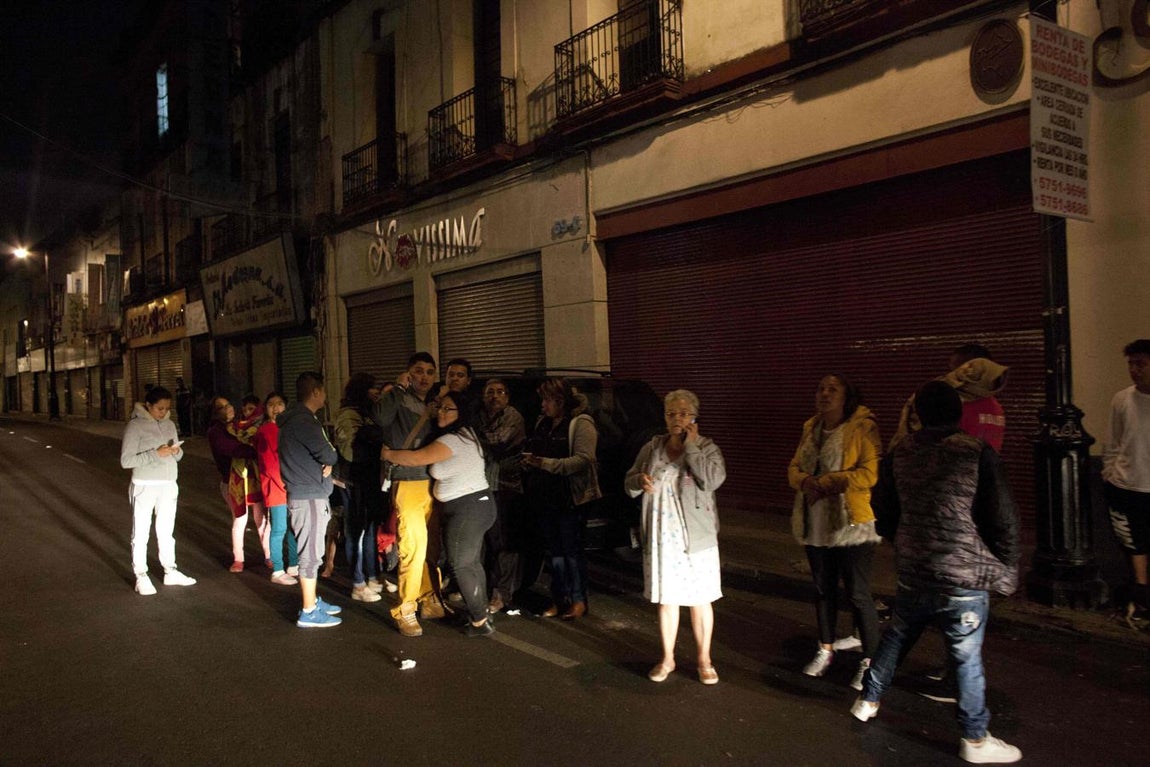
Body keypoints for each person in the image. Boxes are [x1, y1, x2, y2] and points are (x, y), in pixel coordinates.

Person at [851, 381, 1021, 765]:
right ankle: (975, 739)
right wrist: (1006, 562)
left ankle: (868, 699)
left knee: (898, 634)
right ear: (958, 413)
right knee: (966, 656)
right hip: (962, 576)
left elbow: (883, 508)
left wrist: (903, 541)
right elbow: (1003, 516)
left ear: (920, 415)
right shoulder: (977, 453)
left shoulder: (900, 453)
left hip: (915, 566)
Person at [787, 374, 882, 690]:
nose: (824, 394)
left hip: (852, 523)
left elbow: (869, 474)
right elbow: (794, 467)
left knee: (857, 593)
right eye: (820, 388)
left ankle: (870, 661)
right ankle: (824, 649)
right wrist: (804, 481)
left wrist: (826, 482)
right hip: (816, 521)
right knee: (823, 588)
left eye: (832, 389)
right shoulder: (810, 427)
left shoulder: (862, 426)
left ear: (847, 396)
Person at [625, 389, 726, 684]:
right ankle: (667, 658)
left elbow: (713, 479)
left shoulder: (707, 447)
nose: (677, 419)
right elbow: (628, 481)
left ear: (694, 416)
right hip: (661, 536)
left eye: (683, 413)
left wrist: (691, 447)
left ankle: (704, 660)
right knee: (667, 599)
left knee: (700, 599)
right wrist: (637, 481)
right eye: (671, 413)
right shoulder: (652, 447)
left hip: (695, 538)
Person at [384, 390, 497, 636]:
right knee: (472, 564)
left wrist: (388, 454)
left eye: (448, 409)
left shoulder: (453, 440)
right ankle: (481, 615)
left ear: (461, 413)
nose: (442, 412)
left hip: (468, 509)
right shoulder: (466, 434)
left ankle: (479, 621)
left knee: (461, 565)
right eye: (441, 407)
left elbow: (415, 458)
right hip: (478, 505)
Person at [374, 352, 444, 637]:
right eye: (418, 371)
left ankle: (427, 598)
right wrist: (398, 387)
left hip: (433, 481)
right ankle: (405, 609)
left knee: (428, 547)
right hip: (408, 482)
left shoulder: (436, 403)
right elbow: (380, 417)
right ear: (408, 373)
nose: (424, 377)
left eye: (429, 372)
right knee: (412, 547)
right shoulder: (397, 397)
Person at [522, 378, 601, 620]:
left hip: (570, 498)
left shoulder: (580, 423)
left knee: (571, 551)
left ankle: (578, 600)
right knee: (554, 552)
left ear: (560, 401)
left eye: (546, 400)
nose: (542, 405)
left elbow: (583, 460)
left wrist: (545, 464)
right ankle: (558, 599)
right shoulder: (543, 422)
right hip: (545, 496)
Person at [279, 371, 342, 628]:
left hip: (306, 494)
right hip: (309, 497)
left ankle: (313, 600)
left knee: (311, 552)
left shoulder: (294, 420)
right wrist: (329, 459)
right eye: (324, 391)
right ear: (316, 392)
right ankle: (308, 611)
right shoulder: (304, 421)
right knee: (311, 555)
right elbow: (328, 453)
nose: (325, 396)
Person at [120, 386, 196, 595]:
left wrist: (177, 451)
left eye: (167, 408)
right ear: (148, 406)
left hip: (169, 484)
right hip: (145, 484)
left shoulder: (170, 424)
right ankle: (141, 575)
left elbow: (176, 456)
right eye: (159, 408)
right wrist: (156, 454)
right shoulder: (135, 426)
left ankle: (170, 570)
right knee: (141, 533)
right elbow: (126, 461)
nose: (163, 412)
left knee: (166, 531)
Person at [1102, 339, 1150, 618]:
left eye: (1140, 363)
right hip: (1126, 484)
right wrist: (1109, 473)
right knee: (1133, 544)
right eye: (1131, 364)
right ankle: (1140, 597)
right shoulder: (1122, 398)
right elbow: (1113, 440)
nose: (1134, 370)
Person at [890, 344, 1008, 452]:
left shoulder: (944, 399)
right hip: (982, 473)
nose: (951, 375)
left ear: (970, 369)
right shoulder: (996, 406)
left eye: (955, 370)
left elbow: (916, 442)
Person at [333, 372, 388, 603]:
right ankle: (357, 582)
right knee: (355, 531)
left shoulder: (369, 412)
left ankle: (373, 576)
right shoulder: (349, 415)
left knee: (370, 528)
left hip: (369, 480)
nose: (376, 392)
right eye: (372, 388)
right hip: (353, 481)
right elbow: (350, 452)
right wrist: (375, 440)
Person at [479, 378, 527, 613]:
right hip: (482, 486)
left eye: (500, 392)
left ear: (507, 397)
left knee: (505, 543)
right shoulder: (479, 416)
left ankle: (502, 594)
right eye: (490, 392)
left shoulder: (513, 417)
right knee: (486, 542)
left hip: (506, 487)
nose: (494, 396)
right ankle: (486, 588)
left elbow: (497, 442)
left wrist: (475, 436)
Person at [207, 397, 259, 572]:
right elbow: (230, 449)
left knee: (262, 518)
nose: (227, 408)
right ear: (215, 413)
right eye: (221, 407)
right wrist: (256, 450)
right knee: (240, 519)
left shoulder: (239, 426)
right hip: (231, 482)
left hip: (252, 479)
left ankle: (270, 556)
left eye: (228, 404)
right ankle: (238, 559)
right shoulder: (216, 431)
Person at [253, 391, 299, 586]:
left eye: (280, 404)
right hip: (277, 486)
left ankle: (294, 565)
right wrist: (287, 483)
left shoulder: (287, 428)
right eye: (271, 404)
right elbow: (270, 464)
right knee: (280, 528)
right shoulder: (266, 430)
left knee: (292, 527)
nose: (276, 408)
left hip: (289, 484)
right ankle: (278, 569)